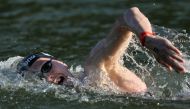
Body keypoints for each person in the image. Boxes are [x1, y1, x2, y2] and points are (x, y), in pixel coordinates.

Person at [17, 7, 185, 93]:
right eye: (40, 77)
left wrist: (146, 38)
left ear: (61, 62)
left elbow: (128, 15)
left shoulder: (94, 68)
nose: (48, 77)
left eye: (46, 67)